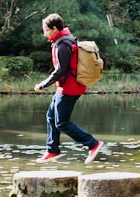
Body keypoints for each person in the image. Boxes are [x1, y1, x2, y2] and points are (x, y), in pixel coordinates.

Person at [33, 13, 103, 164]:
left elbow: (61, 70)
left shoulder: (62, 45)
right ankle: (52, 151)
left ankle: (93, 144)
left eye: (45, 30)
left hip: (69, 89)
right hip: (68, 86)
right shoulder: (66, 39)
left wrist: (43, 84)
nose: (44, 33)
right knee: (51, 116)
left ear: (54, 28)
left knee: (62, 122)